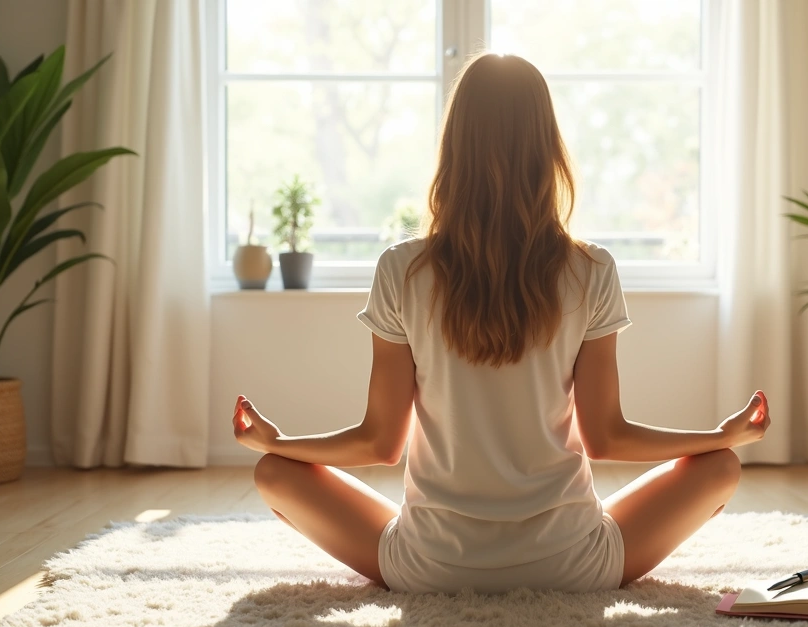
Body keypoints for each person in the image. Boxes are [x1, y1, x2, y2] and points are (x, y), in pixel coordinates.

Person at [231, 52, 772, 594]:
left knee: (274, 473)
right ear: (548, 149)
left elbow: (380, 445)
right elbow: (605, 438)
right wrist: (718, 435)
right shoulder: (591, 270)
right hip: (574, 564)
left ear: (454, 148)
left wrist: (280, 443)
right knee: (719, 466)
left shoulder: (401, 269)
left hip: (429, 566)